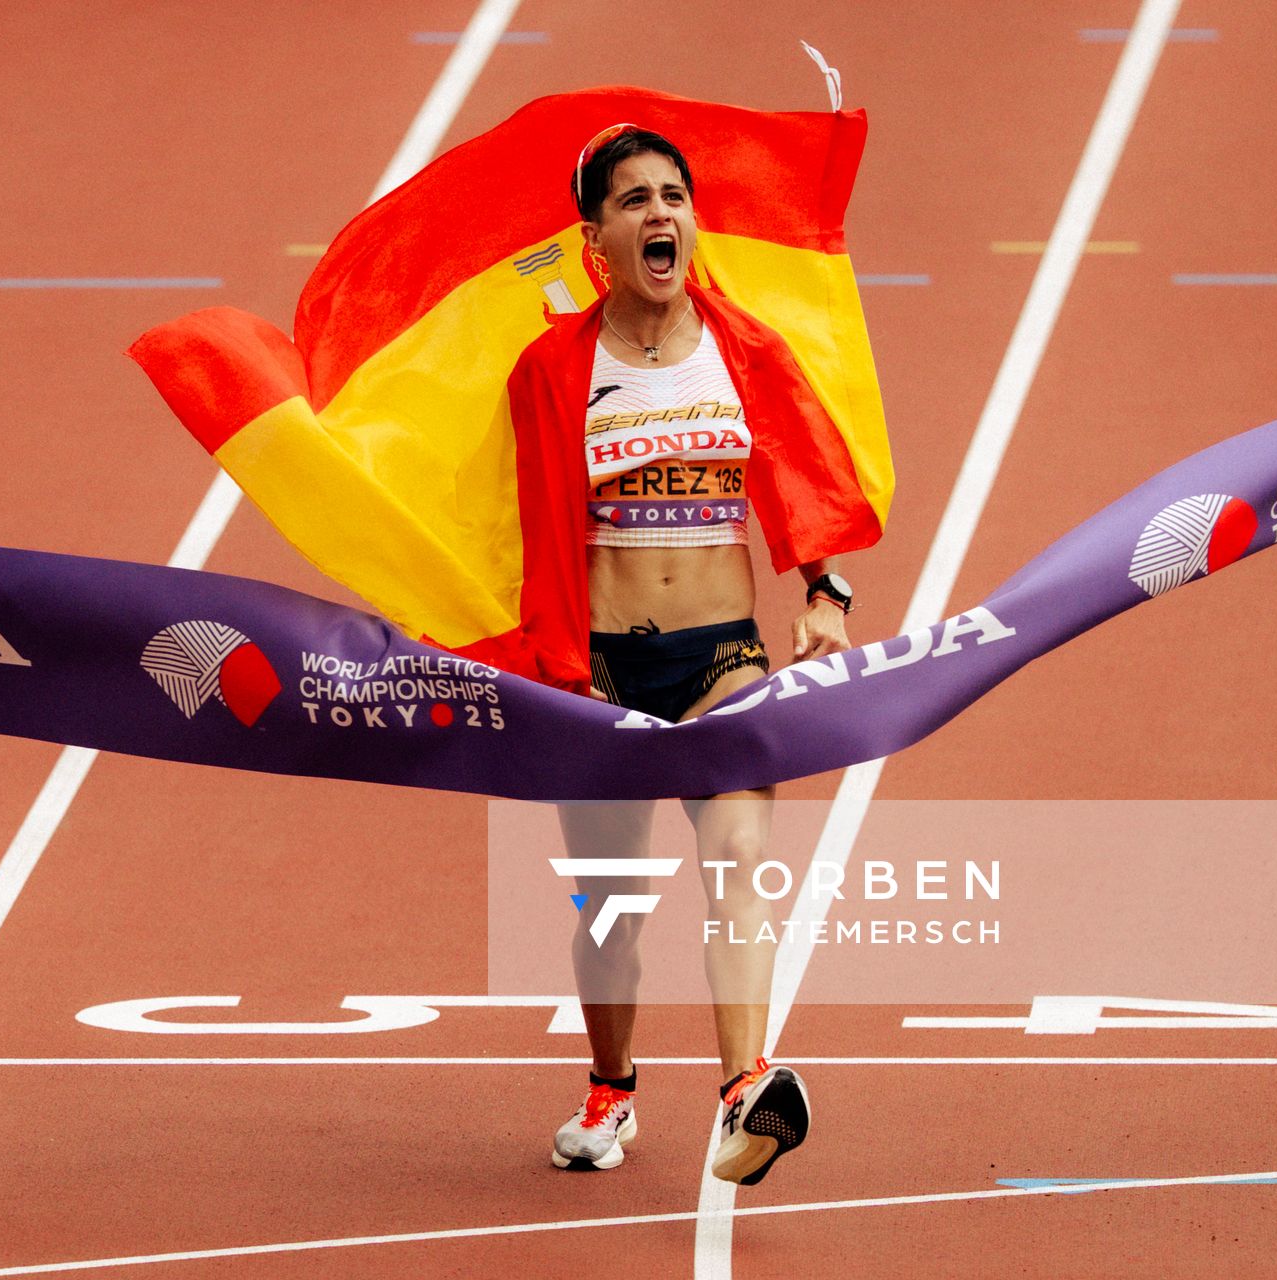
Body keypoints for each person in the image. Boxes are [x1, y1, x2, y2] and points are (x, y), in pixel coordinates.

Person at [510, 125, 860, 1185]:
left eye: (675, 196)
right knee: (610, 908)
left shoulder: (743, 350)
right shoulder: (550, 369)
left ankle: (744, 1087)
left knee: (743, 864)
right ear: (597, 238)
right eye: (635, 201)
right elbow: (509, 522)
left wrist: (824, 589)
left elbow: (804, 467)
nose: (661, 213)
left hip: (724, 659)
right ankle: (610, 1084)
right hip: (600, 671)